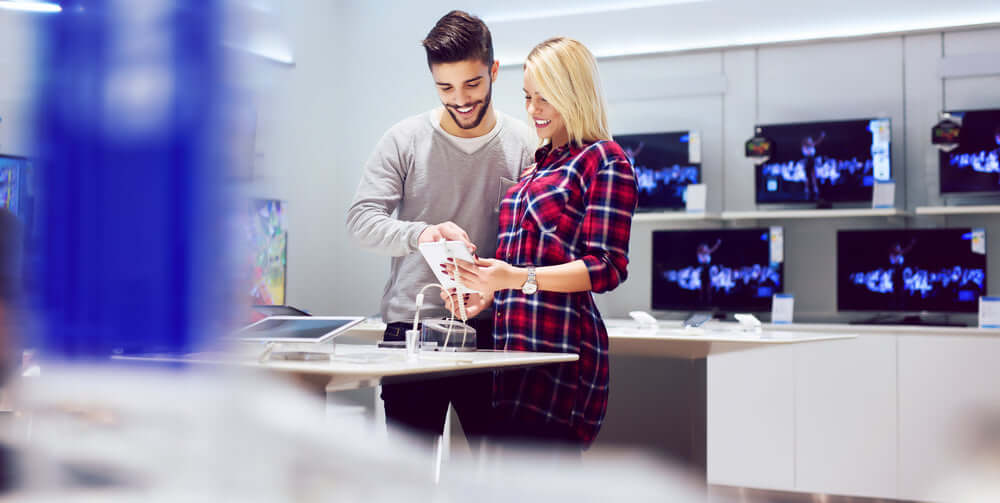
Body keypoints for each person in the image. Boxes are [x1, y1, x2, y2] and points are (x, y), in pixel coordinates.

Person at [345, 11, 536, 445]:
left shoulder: (526, 146)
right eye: (445, 87)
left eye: (472, 84)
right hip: (411, 334)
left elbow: (534, 243)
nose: (461, 99)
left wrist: (498, 283)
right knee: (407, 481)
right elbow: (360, 221)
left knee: (495, 475)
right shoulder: (403, 140)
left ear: (494, 71)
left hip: (494, 334)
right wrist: (421, 234)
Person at [444, 37, 638, 449]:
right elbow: (521, 267)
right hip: (510, 359)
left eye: (544, 98)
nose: (532, 110)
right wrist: (488, 291)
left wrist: (515, 277)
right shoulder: (537, 166)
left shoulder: (606, 160)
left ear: (573, 94)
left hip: (561, 355)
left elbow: (606, 267)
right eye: (528, 97)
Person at [800, 131, 826, 201]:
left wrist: (821, 138)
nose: (810, 141)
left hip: (811, 159)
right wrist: (821, 137)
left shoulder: (810, 145)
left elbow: (815, 143)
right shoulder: (805, 145)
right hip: (808, 160)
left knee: (813, 175)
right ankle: (807, 189)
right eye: (809, 140)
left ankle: (815, 189)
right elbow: (816, 143)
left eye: (811, 140)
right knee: (807, 176)